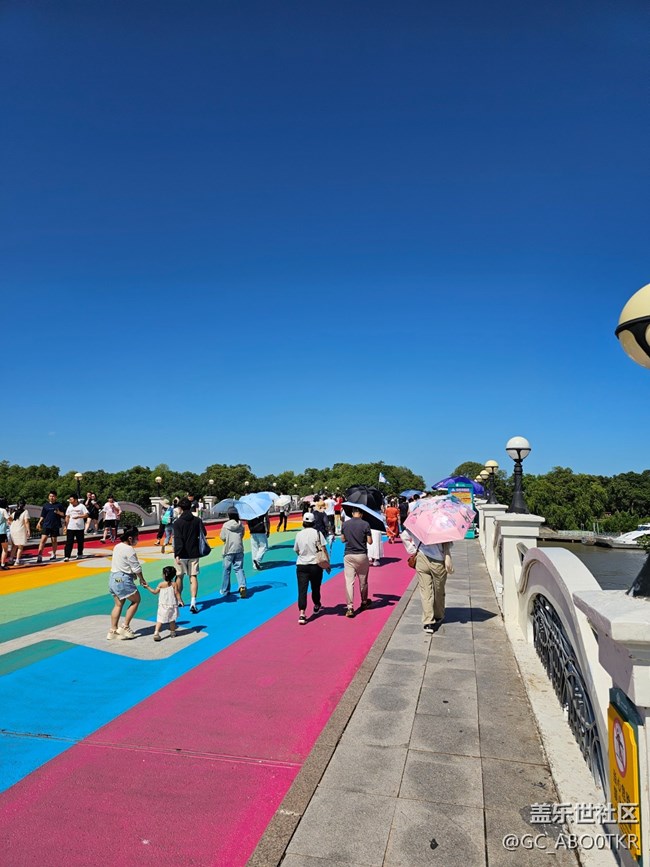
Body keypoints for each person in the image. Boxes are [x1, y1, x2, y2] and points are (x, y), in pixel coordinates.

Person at [402, 530, 454, 634]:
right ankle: (438, 615)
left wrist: (413, 549)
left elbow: (404, 536)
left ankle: (428, 621)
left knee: (425, 591)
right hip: (438, 561)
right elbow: (450, 544)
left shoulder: (418, 523)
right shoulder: (441, 526)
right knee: (439, 589)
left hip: (421, 558)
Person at [107, 527, 148, 640]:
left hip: (113, 578)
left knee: (118, 604)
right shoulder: (129, 549)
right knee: (136, 600)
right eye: (136, 538)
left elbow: (122, 563)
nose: (137, 540)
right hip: (122, 579)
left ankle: (113, 630)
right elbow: (136, 568)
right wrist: (142, 579)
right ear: (130, 538)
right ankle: (125, 626)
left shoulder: (117, 546)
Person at [293, 512, 326, 625]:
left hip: (301, 565)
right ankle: (316, 604)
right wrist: (327, 563)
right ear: (313, 522)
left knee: (302, 590)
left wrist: (302, 555)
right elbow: (323, 549)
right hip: (315, 564)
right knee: (315, 587)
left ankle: (302, 613)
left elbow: (296, 550)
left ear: (303, 522)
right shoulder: (318, 533)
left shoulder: (299, 534)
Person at [340, 506, 373, 618]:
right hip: (361, 555)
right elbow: (370, 541)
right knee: (363, 581)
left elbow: (343, 539)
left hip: (349, 554)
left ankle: (350, 607)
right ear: (361, 514)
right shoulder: (365, 524)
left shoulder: (345, 524)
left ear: (352, 513)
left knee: (349, 582)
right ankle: (364, 602)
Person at [173, 496, 203, 613]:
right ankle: (193, 601)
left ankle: (179, 599)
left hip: (182, 553)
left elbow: (178, 540)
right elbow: (203, 533)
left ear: (180, 508)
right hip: (194, 552)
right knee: (193, 576)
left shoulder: (177, 522)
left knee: (179, 576)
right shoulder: (197, 520)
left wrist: (177, 554)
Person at [144, 565, 184, 641]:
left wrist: (148, 587)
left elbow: (155, 592)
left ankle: (156, 633)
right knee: (172, 619)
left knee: (160, 619)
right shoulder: (174, 584)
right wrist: (180, 601)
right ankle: (172, 632)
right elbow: (177, 593)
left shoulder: (161, 584)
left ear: (164, 575)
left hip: (162, 605)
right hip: (172, 604)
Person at [220, 507, 246, 597]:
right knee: (239, 568)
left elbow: (222, 537)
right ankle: (242, 586)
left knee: (226, 570)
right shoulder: (241, 525)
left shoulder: (225, 525)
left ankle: (225, 590)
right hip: (239, 549)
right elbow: (242, 535)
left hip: (228, 550)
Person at [36, 491, 66, 562]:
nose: (51, 498)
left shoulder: (59, 505)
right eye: (50, 496)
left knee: (54, 540)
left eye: (53, 496)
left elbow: (64, 514)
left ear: (55, 497)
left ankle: (54, 553)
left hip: (55, 525)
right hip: (46, 525)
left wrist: (59, 512)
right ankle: (39, 555)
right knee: (43, 540)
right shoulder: (46, 505)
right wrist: (39, 522)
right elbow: (43, 515)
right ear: (48, 497)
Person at [63, 494, 88, 561]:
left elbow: (86, 515)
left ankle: (79, 553)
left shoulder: (81, 506)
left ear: (76, 500)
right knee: (69, 542)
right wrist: (66, 526)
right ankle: (67, 556)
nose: (70, 501)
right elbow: (67, 516)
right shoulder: (69, 507)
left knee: (80, 541)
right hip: (71, 527)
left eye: (71, 499)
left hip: (80, 527)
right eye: (70, 500)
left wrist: (79, 516)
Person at [9, 501, 31, 567]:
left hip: (13, 529)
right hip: (20, 530)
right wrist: (28, 530)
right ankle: (17, 561)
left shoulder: (14, 512)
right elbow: (26, 521)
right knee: (20, 546)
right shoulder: (25, 512)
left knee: (14, 546)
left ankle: (10, 559)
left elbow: (9, 520)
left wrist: (12, 524)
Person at [0, 498, 10, 570]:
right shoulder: (3, 510)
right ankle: (3, 564)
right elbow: (8, 519)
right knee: (5, 549)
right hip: (2, 532)